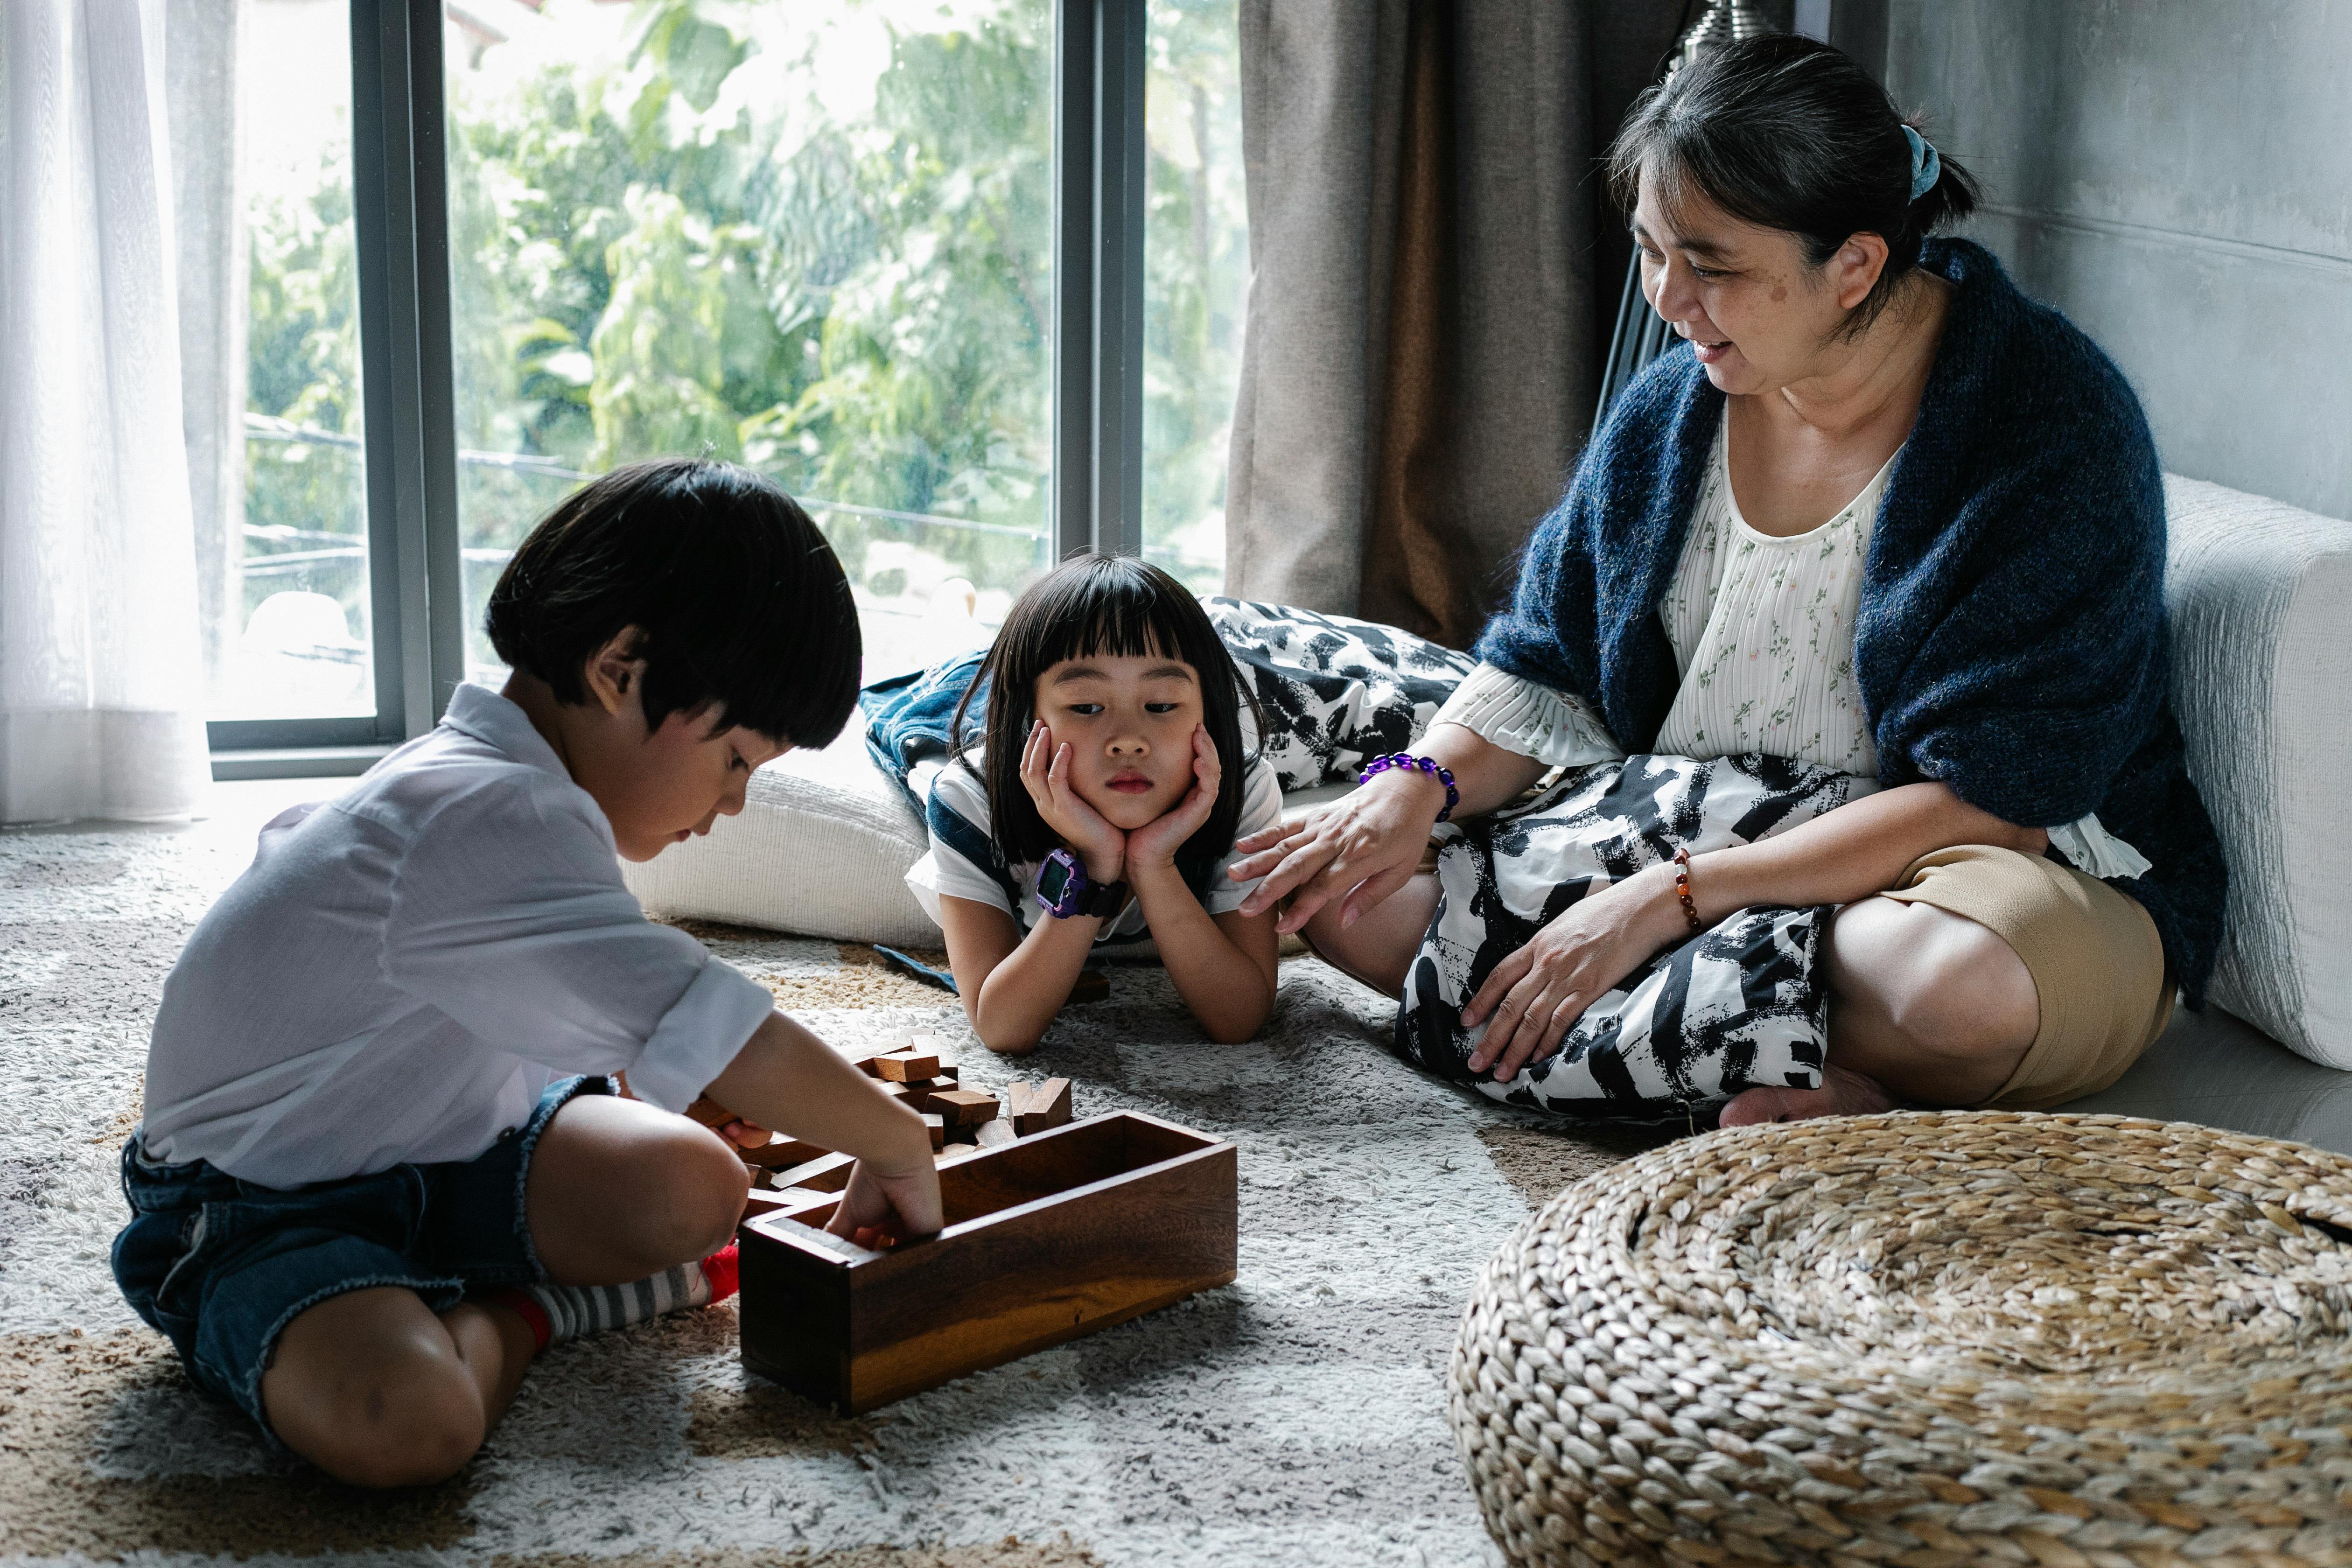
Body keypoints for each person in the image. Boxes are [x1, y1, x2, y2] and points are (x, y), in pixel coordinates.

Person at [1230, 35, 2225, 1125]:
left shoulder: (2050, 429)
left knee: (1958, 995)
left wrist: (1669, 902)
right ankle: (1796, 1072)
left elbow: (1996, 807)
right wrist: (1412, 789)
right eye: (1653, 251)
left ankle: (1691, 1034)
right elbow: (1545, 667)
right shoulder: (1675, 411)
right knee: (1350, 895)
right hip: (1696, 823)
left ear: (1853, 264)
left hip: (1956, 875)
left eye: (1713, 265)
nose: (1668, 298)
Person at [111, 460, 943, 1488]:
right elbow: (726, 1025)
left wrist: (633, 1077)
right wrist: (897, 1141)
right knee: (413, 1425)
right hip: (259, 1208)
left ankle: (456, 1282)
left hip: (444, 1145)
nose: (732, 806)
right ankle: (516, 1315)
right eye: (735, 761)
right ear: (621, 669)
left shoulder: (511, 786)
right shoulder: (486, 816)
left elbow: (527, 1004)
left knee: (698, 1185)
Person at [907, 555, 1284, 1053]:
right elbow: (1001, 1026)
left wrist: (1154, 862)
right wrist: (1096, 868)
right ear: (1029, 719)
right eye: (1086, 707)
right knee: (939, 679)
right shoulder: (970, 798)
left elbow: (1238, 1018)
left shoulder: (1242, 789)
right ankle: (952, 605)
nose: (1128, 741)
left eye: (1161, 706)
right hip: (949, 702)